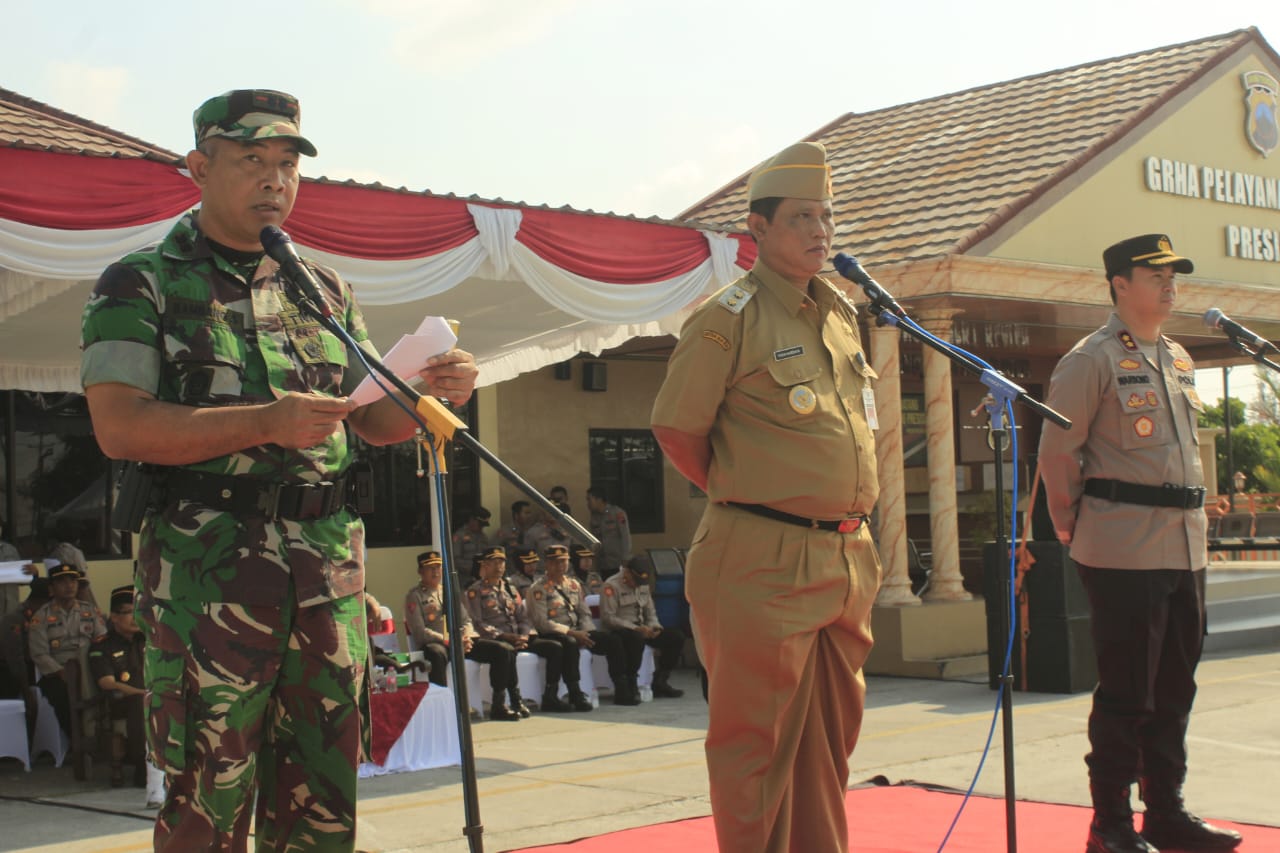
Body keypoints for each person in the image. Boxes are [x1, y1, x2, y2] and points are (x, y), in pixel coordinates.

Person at [79, 89, 478, 851]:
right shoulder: (141, 282)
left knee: (321, 801)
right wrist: (264, 421)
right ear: (199, 167)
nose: (275, 179)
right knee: (209, 801)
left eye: (288, 163)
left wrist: (426, 391)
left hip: (327, 577)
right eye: (251, 160)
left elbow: (368, 418)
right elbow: (118, 424)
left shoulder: (321, 286)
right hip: (210, 584)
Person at [651, 141, 883, 852]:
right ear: (758, 228)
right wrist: (752, 496)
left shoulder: (840, 312)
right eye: (802, 217)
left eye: (827, 217)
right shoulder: (730, 317)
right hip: (761, 556)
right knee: (757, 750)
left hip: (846, 555)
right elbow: (677, 429)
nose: (820, 231)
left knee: (826, 745)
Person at [1038, 234, 1242, 853]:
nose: (1170, 282)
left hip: (1185, 546)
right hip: (1123, 546)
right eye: (1155, 273)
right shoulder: (1090, 359)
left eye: (1173, 272)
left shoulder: (1178, 358)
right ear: (1119, 284)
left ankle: (1166, 814)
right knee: (1127, 692)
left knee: (1175, 689)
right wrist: (1072, 523)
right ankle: (1111, 826)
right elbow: (1057, 454)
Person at [405, 550, 525, 720]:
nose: (435, 571)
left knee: (502, 650)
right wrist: (449, 640)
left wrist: (467, 636)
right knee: (435, 653)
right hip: (439, 643)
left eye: (438, 567)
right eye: (430, 568)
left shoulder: (449, 591)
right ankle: (443, 708)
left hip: (459, 641)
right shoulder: (414, 596)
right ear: (420, 571)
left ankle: (499, 704)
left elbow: (466, 619)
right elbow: (419, 631)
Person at [464, 545, 572, 713]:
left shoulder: (510, 588)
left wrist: (524, 635)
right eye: (494, 562)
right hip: (495, 639)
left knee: (554, 648)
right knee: (504, 650)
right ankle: (506, 702)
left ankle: (551, 695)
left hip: (517, 637)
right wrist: (504, 636)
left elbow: (524, 617)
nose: (499, 566)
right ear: (484, 565)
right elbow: (477, 623)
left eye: (502, 562)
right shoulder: (474, 591)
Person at [527, 543, 630, 706]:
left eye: (564, 561)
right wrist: (572, 633)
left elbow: (584, 612)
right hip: (556, 633)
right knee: (570, 643)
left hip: (579, 632)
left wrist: (586, 632)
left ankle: (622, 687)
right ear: (547, 564)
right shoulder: (538, 589)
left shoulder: (573, 585)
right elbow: (542, 622)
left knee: (613, 640)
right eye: (556, 562)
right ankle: (574, 692)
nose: (561, 566)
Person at [26, 564, 107, 736]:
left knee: (110, 690)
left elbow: (102, 640)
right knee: (63, 698)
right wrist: (61, 672)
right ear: (51, 588)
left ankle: (107, 737)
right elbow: (39, 654)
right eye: (62, 582)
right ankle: (77, 740)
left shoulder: (89, 610)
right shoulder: (42, 616)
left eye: (73, 581)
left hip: (90, 667)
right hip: (58, 672)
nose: (69, 585)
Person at [600, 553, 685, 699]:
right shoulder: (611, 585)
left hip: (643, 629)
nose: (637, 584)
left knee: (676, 636)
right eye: (634, 580)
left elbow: (650, 611)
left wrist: (655, 627)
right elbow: (608, 618)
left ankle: (660, 681)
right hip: (622, 631)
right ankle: (630, 682)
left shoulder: (643, 585)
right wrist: (636, 629)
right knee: (635, 638)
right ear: (627, 572)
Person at [88, 585, 147, 787]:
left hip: (154, 696)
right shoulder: (103, 644)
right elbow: (107, 683)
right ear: (114, 617)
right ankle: (143, 765)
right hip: (120, 702)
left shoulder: (152, 640)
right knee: (140, 701)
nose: (135, 617)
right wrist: (142, 692)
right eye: (129, 612)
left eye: (139, 610)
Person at [586, 487, 631, 578]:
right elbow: (593, 540)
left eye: (589, 499)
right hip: (602, 564)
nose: (588, 503)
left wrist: (625, 558)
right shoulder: (594, 517)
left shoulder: (617, 513)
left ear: (599, 499)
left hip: (617, 563)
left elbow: (625, 537)